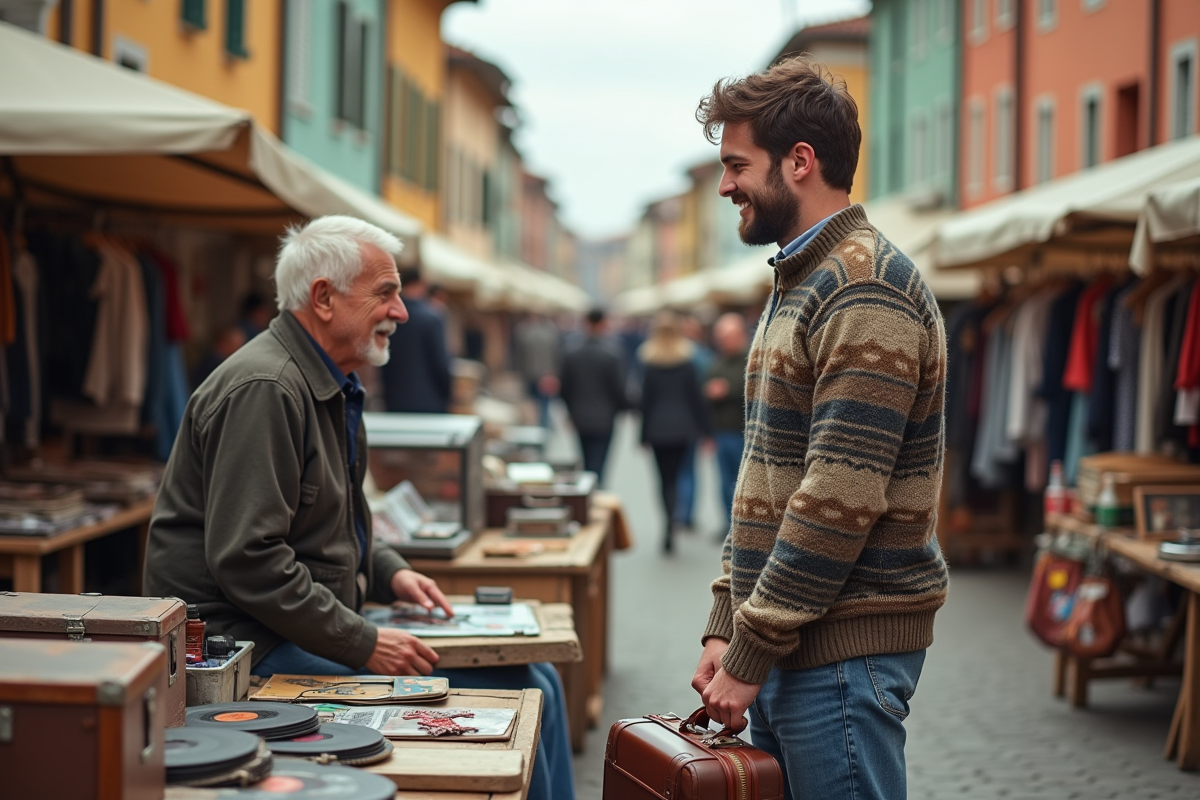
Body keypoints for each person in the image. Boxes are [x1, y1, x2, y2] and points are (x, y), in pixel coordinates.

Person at [144, 216, 573, 800]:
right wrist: (363, 641)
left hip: (285, 626)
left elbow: (341, 517)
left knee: (540, 678)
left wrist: (390, 569)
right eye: (386, 293)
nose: (401, 311)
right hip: (247, 649)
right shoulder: (268, 388)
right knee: (530, 687)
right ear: (324, 298)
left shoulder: (324, 381)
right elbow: (248, 560)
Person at [689, 57, 949, 800]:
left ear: (799, 161)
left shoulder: (862, 285)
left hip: (839, 654)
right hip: (793, 642)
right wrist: (726, 622)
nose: (725, 184)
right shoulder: (806, 278)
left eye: (737, 164)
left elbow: (837, 498)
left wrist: (749, 648)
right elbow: (767, 476)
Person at [638, 310, 711, 554]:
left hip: (658, 429)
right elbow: (696, 399)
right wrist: (706, 430)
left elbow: (645, 402)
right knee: (680, 476)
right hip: (683, 427)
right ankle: (677, 518)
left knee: (663, 479)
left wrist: (642, 435)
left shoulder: (649, 363)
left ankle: (668, 522)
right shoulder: (687, 361)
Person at [559, 308, 630, 483]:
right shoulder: (612, 355)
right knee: (600, 464)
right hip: (605, 417)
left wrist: (570, 412)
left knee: (586, 459)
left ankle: (588, 496)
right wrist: (623, 408)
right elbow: (619, 389)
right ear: (604, 324)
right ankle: (596, 496)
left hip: (580, 416)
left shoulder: (571, 354)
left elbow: (565, 389)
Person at [378, 265, 452, 413]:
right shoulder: (431, 318)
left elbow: (383, 363)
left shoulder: (388, 316)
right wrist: (448, 395)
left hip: (394, 402)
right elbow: (441, 364)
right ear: (420, 284)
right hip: (429, 403)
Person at [704, 312, 749, 535]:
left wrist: (727, 391)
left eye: (727, 337)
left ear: (739, 335)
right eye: (720, 338)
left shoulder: (750, 359)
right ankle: (727, 523)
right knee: (724, 481)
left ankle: (742, 524)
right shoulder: (717, 361)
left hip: (743, 431)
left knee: (743, 481)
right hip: (721, 431)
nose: (723, 342)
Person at [673, 314, 715, 531]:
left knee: (680, 469)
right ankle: (686, 513)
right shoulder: (703, 356)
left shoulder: (680, 355)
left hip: (679, 420)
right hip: (692, 420)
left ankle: (679, 511)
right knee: (689, 469)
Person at [514, 314, 561, 428]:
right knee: (544, 402)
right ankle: (543, 427)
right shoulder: (550, 334)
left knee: (532, 402)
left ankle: (535, 427)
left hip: (529, 373)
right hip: (546, 374)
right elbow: (556, 355)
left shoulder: (525, 334)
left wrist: (521, 372)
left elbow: (520, 356)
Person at [190, 325, 246, 389]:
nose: (240, 350)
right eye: (237, 345)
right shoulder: (215, 364)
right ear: (225, 343)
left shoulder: (214, 360)